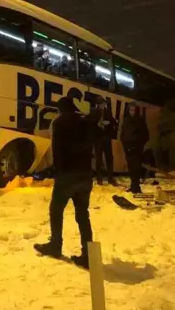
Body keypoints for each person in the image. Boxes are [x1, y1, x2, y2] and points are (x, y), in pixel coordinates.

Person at [34, 96, 94, 269]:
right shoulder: (84, 123)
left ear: (60, 110)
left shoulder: (59, 123)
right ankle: (88, 254)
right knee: (83, 215)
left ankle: (55, 244)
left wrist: (56, 171)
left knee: (56, 210)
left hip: (68, 175)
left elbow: (59, 151)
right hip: (85, 176)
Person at [87, 96, 117, 185]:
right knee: (98, 159)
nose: (103, 106)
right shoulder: (94, 111)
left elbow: (113, 122)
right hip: (98, 139)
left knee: (109, 158)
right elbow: (89, 122)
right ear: (98, 105)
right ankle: (99, 178)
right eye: (101, 104)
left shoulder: (108, 112)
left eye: (104, 104)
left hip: (106, 138)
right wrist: (97, 123)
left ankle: (110, 178)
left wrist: (109, 123)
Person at [121, 102, 149, 194]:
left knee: (136, 168)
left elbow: (145, 134)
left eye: (133, 110)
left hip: (137, 148)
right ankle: (133, 185)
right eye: (131, 110)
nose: (132, 112)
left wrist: (140, 145)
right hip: (128, 148)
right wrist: (125, 145)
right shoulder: (126, 120)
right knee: (131, 168)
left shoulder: (140, 120)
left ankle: (136, 187)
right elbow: (123, 134)